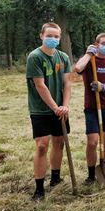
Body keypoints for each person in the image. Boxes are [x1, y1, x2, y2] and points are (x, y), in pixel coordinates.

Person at [26, 22, 71, 200]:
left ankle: (55, 178)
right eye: (49, 36)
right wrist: (55, 108)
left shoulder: (63, 58)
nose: (53, 39)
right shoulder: (35, 57)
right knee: (42, 145)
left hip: (60, 109)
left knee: (59, 142)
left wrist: (65, 106)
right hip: (40, 109)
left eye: (56, 36)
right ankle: (39, 188)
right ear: (41, 36)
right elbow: (40, 85)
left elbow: (68, 83)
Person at [73, 33, 105, 184]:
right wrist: (88, 54)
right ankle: (91, 174)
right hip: (92, 107)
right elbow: (77, 68)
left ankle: (104, 168)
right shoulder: (89, 60)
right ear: (96, 44)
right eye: (104, 43)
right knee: (93, 142)